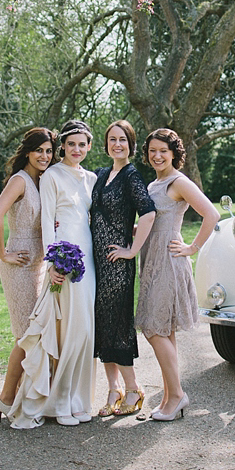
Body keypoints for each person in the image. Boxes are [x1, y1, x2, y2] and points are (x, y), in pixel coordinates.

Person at [9, 119, 97, 428]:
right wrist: (54, 262)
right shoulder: (51, 176)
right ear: (63, 146)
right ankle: (58, 402)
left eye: (82, 144)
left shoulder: (91, 179)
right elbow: (48, 222)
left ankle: (78, 400)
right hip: (64, 260)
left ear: (88, 147)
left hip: (89, 261)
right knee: (67, 331)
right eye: (71, 144)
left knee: (85, 331)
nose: (76, 149)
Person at [135, 127, 220, 421]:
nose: (157, 156)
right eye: (153, 151)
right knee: (164, 330)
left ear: (174, 154)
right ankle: (170, 397)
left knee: (153, 329)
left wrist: (192, 247)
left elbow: (212, 214)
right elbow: (150, 225)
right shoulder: (153, 185)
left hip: (170, 262)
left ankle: (179, 394)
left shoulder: (178, 182)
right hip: (151, 260)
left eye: (163, 151)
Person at [0, 127, 57, 421]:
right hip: (18, 264)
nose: (44, 156)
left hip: (40, 265)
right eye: (39, 150)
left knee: (37, 332)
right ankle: (6, 398)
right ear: (27, 152)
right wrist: (3, 253)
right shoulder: (20, 181)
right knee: (26, 335)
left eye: (49, 151)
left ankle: (27, 396)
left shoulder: (43, 181)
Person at [91, 120, 156, 417]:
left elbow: (148, 213)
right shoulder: (102, 174)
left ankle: (133, 389)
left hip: (118, 266)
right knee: (101, 326)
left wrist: (132, 250)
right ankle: (113, 389)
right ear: (106, 144)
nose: (117, 144)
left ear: (130, 144)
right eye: (112, 139)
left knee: (117, 326)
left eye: (123, 140)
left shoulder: (131, 176)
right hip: (96, 264)